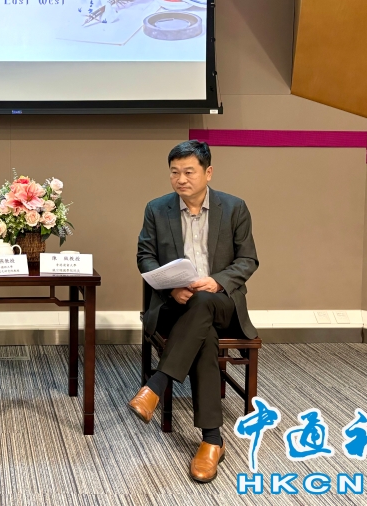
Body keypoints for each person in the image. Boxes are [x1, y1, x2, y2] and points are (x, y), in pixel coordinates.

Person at [129, 141, 259, 483]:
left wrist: (216, 282)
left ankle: (157, 383)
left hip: (221, 302)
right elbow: (145, 257)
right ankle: (212, 440)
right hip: (177, 305)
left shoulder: (234, 208)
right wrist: (171, 288)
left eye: (189, 172)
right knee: (204, 335)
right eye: (174, 172)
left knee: (204, 305)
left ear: (208, 172)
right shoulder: (157, 209)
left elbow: (248, 260)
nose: (181, 179)